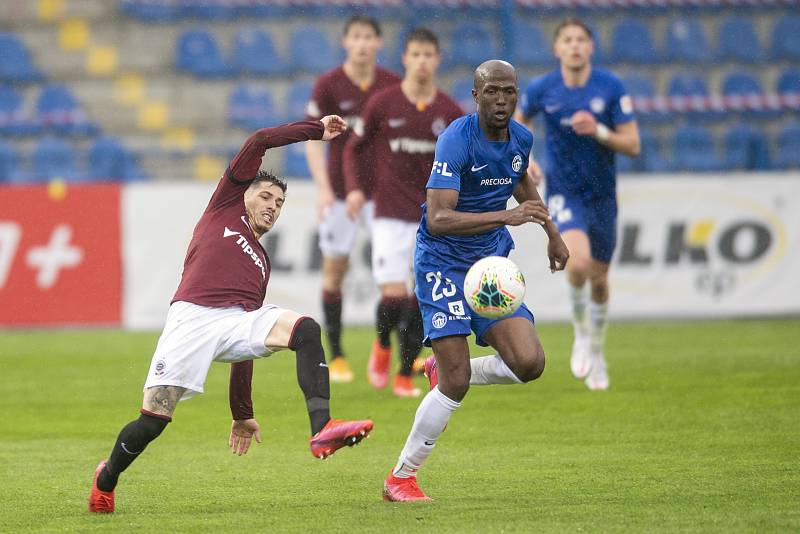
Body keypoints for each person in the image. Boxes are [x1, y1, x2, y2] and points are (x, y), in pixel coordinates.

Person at [88, 117, 374, 514]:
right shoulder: (224, 205)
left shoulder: (261, 262)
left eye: (280, 203)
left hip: (234, 322)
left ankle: (322, 428)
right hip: (190, 320)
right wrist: (314, 130)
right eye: (267, 197)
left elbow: (245, 348)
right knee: (153, 421)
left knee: (306, 329)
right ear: (245, 194)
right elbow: (259, 139)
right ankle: (106, 479)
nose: (272, 206)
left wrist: (242, 413)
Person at [382, 60, 570, 502]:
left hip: (490, 268)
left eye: (509, 92)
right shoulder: (455, 141)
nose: (502, 100)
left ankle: (442, 368)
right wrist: (508, 216)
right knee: (456, 381)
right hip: (442, 264)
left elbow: (520, 181)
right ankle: (400, 479)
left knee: (529, 364)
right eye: (492, 92)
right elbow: (441, 218)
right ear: (476, 95)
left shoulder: (521, 138)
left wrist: (552, 233)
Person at [517, 18, 640, 391]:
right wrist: (526, 158)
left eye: (580, 40)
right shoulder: (542, 88)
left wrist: (600, 131)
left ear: (590, 47)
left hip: (602, 195)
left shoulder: (610, 87)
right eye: (567, 40)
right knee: (578, 262)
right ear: (556, 49)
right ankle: (581, 334)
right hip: (564, 192)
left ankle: (598, 352)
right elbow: (515, 127)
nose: (574, 46)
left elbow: (633, 144)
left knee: (600, 279)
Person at [343, 28, 463, 397]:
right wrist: (354, 190)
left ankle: (404, 374)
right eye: (416, 54)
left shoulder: (449, 111)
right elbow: (353, 148)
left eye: (429, 55)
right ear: (405, 58)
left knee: (420, 298)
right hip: (390, 212)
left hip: (433, 217)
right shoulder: (384, 103)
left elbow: (466, 159)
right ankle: (382, 346)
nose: (422, 61)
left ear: (437, 60)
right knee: (393, 296)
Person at [305, 15, 401, 383]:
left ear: (379, 43)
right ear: (345, 42)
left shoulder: (392, 84)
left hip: (383, 195)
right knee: (334, 271)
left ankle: (385, 346)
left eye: (369, 37)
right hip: (341, 194)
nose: (362, 43)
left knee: (391, 277)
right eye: (356, 37)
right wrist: (323, 188)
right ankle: (338, 354)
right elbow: (313, 137)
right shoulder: (329, 85)